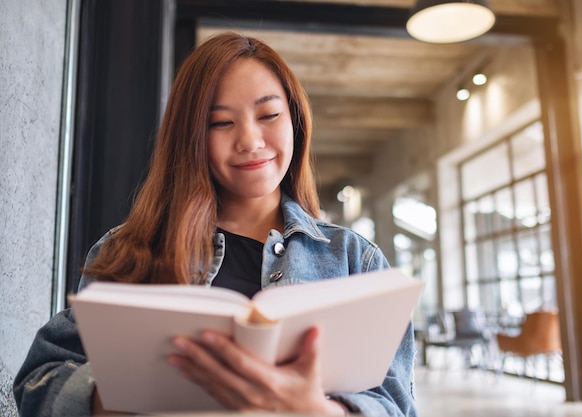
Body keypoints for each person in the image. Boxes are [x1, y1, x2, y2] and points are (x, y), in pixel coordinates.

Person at [13, 31, 418, 417]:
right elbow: (39, 383)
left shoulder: (353, 261)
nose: (249, 140)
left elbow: (397, 404)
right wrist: (124, 392)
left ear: (294, 119)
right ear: (190, 136)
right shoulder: (129, 252)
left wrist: (315, 410)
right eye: (221, 122)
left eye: (269, 114)